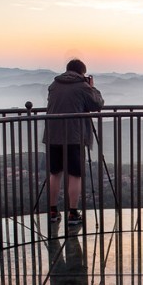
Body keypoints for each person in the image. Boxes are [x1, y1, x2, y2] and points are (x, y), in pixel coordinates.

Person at [43, 58, 103, 227]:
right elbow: (97, 104)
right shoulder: (82, 86)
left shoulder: (54, 85)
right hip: (73, 136)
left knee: (55, 173)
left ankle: (53, 211)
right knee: (75, 174)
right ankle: (73, 213)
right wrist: (92, 87)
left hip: (53, 135)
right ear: (82, 72)